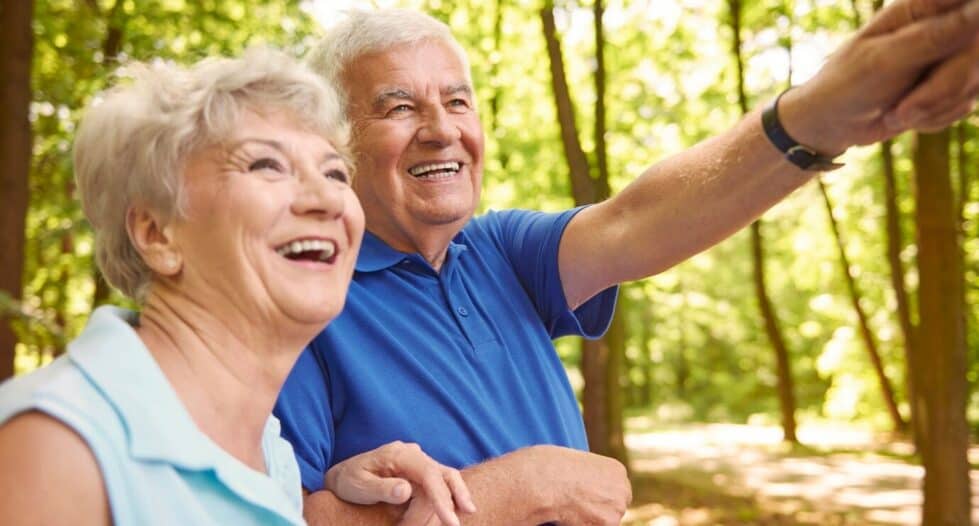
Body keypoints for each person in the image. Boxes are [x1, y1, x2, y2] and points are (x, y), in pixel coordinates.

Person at [275, 0, 979, 523]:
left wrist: (824, 115)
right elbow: (279, 515)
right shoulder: (302, 304)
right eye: (398, 108)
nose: (441, 129)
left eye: (457, 101)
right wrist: (526, 485)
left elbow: (641, 219)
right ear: (331, 142)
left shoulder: (497, 254)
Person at [0, 48, 476, 526]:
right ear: (156, 233)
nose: (328, 201)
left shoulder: (272, 461)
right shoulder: (59, 445)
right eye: (267, 165)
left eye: (334, 173)